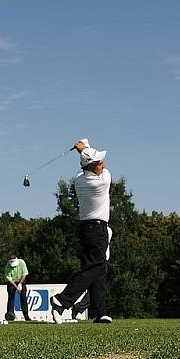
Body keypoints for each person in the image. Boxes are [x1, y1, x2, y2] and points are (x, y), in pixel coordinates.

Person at [50, 138, 113, 324]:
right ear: (93, 167)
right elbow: (104, 167)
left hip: (86, 229)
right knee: (94, 268)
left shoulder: (79, 180)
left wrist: (84, 150)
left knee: (99, 270)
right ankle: (62, 301)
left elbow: (90, 161)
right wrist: (84, 148)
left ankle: (99, 312)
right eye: (99, 162)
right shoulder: (101, 181)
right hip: (97, 229)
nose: (102, 164)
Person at [4, 254, 32, 321]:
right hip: (12, 283)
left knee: (23, 298)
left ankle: (26, 316)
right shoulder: (7, 266)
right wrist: (16, 286)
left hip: (21, 281)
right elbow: (9, 279)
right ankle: (10, 316)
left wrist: (20, 284)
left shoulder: (22, 262)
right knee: (11, 298)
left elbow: (24, 274)